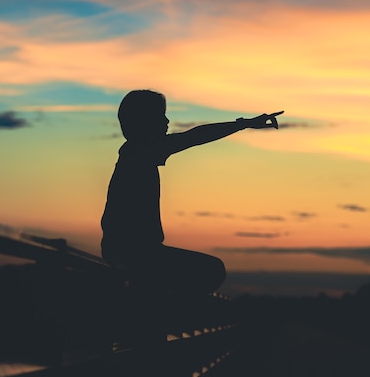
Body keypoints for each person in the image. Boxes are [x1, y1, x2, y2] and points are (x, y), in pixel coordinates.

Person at [101, 89, 283, 294]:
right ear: (145, 120)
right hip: (134, 252)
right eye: (161, 115)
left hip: (132, 250)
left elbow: (192, 137)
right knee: (211, 270)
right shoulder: (140, 151)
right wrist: (244, 123)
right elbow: (195, 136)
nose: (167, 121)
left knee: (206, 271)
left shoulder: (135, 153)